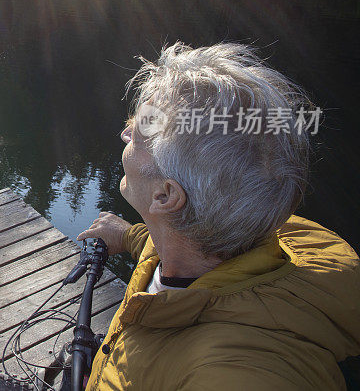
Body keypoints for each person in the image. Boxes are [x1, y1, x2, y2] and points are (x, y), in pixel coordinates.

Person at [77, 42, 360, 390]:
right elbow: (181, 240)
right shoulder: (267, 232)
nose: (125, 133)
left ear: (165, 196)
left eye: (139, 132)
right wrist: (129, 236)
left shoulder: (235, 371)